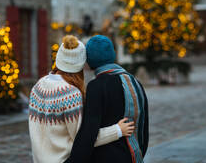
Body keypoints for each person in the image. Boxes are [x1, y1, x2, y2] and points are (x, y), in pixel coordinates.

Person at [28, 35, 135, 163]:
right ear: (81, 65)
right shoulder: (70, 94)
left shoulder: (38, 86)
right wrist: (117, 130)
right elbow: (83, 139)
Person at [65, 35, 149, 163]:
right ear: (112, 55)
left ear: (89, 60)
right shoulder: (134, 82)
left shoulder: (96, 87)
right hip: (133, 156)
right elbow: (144, 128)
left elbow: (88, 133)